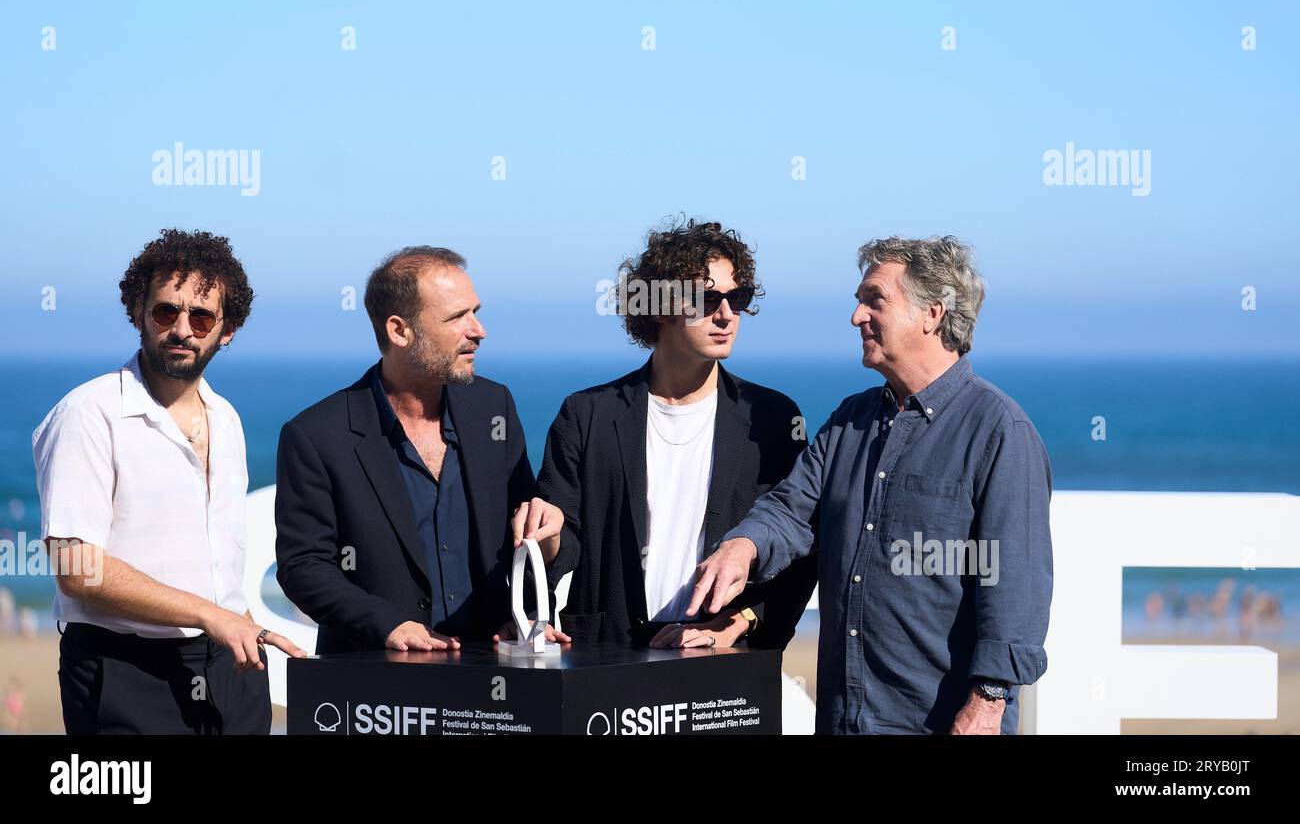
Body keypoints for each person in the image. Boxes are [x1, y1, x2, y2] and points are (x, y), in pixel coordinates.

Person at [689, 235, 1052, 734]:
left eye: (873, 300)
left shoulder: (1000, 431)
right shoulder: (849, 420)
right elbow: (792, 510)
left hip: (941, 724)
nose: (856, 316)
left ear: (933, 314)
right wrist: (744, 545)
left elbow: (1016, 587)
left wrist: (987, 703)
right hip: (843, 720)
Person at [33, 229, 303, 735]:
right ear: (138, 313)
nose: (182, 328)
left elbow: (218, 558)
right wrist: (209, 615)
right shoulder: (89, 414)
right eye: (165, 311)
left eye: (201, 316)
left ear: (228, 330)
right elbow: (75, 571)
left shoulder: (227, 420)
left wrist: (236, 621)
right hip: (126, 673)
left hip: (232, 670)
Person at [540, 218, 817, 650]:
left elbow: (802, 541)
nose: (726, 314)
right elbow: (561, 539)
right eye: (707, 299)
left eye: (737, 298)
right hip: (605, 659)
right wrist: (550, 535)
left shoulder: (773, 418)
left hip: (718, 669)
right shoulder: (586, 413)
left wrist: (740, 621)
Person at [275, 246, 566, 654]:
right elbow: (303, 567)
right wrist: (388, 625)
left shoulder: (493, 407)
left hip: (491, 677)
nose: (478, 330)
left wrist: (525, 609)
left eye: (475, 311)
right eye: (456, 318)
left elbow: (525, 536)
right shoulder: (315, 435)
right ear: (399, 330)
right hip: (374, 689)